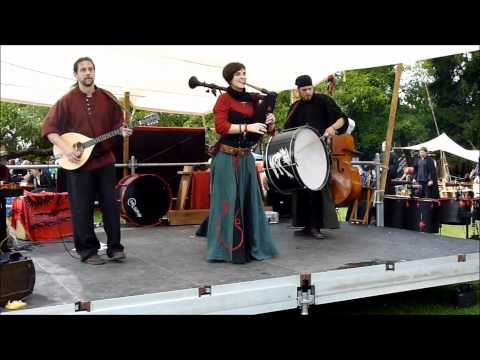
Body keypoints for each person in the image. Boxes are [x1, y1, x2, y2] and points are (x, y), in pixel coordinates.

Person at [42, 57, 132, 265]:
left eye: (90, 69)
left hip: (104, 160)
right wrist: (67, 150)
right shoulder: (66, 101)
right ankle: (88, 251)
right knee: (82, 207)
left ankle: (115, 248)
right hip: (77, 162)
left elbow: (119, 124)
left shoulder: (107, 98)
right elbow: (49, 129)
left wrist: (124, 131)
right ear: (76, 74)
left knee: (110, 204)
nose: (88, 73)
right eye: (83, 70)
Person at [206, 62, 278, 264]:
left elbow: (264, 130)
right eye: (238, 74)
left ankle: (252, 247)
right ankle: (222, 251)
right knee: (226, 204)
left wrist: (270, 122)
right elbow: (221, 127)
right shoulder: (224, 99)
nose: (243, 77)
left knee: (251, 203)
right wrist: (248, 126)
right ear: (230, 78)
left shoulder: (254, 100)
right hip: (226, 158)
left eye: (244, 73)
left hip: (246, 158)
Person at [284, 75, 348, 239]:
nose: (308, 92)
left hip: (320, 152)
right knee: (302, 190)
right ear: (297, 90)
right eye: (304, 90)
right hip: (301, 154)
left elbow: (342, 119)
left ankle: (316, 226)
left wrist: (332, 127)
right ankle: (305, 225)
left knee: (317, 188)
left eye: (310, 89)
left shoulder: (323, 100)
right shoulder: (294, 107)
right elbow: (287, 131)